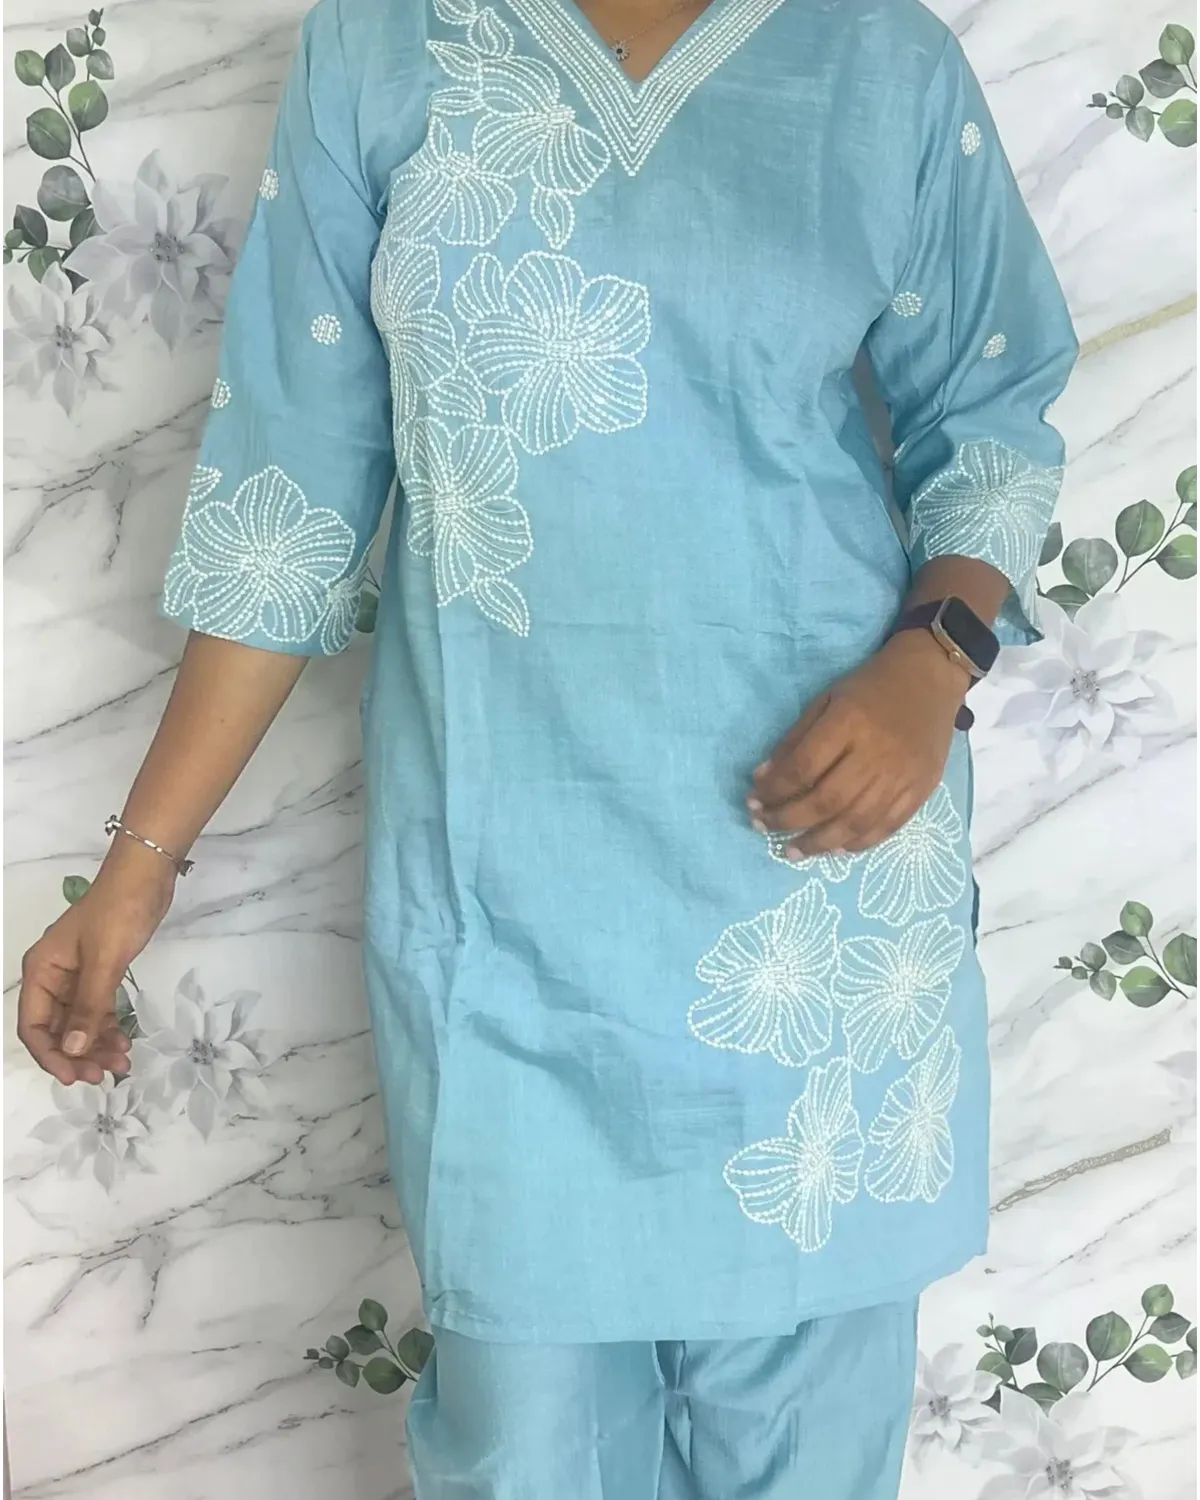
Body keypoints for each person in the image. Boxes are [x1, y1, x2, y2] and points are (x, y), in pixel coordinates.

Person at [17, 0, 1079, 1493]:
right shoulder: (382, 48)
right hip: (503, 915)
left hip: (819, 899)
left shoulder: (876, 60)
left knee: (807, 1459)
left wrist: (935, 656)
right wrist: (138, 867)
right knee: (524, 1450)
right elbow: (293, 494)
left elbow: (991, 406)